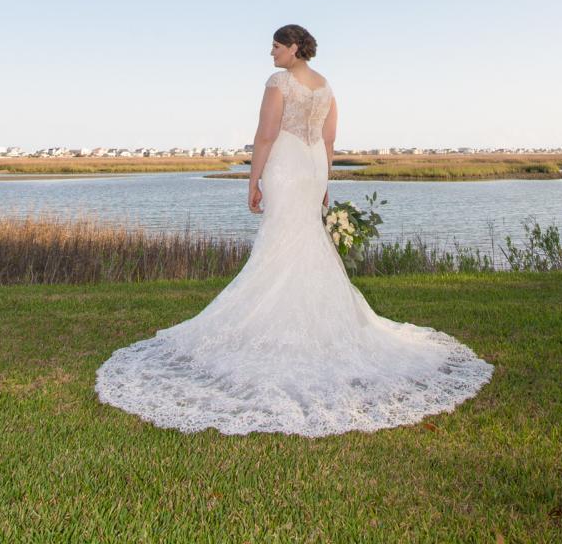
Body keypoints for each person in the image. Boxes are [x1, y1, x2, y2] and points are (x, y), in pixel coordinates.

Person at [95, 24, 494, 436]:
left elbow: (265, 136)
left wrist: (253, 180)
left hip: (286, 165)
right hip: (312, 166)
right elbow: (329, 138)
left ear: (294, 48)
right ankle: (317, 323)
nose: (270, 53)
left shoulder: (279, 83)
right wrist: (323, 182)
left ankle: (279, 323)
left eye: (275, 46)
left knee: (281, 240)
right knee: (304, 239)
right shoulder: (325, 86)